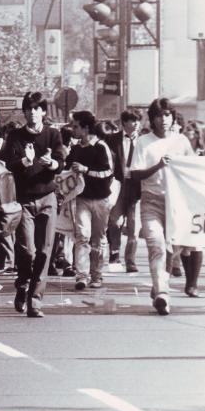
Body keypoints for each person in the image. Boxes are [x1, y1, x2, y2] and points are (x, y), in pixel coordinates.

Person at [129, 98, 197, 314]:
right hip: (151, 201)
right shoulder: (143, 142)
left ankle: (160, 285)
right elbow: (134, 173)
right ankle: (162, 294)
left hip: (177, 203)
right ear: (153, 118)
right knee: (156, 245)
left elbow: (193, 169)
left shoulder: (182, 141)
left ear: (173, 116)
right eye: (159, 115)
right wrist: (157, 166)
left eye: (168, 115)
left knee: (173, 249)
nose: (164, 119)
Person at [0, 91, 64, 317]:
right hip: (23, 200)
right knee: (28, 250)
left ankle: (35, 300)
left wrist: (52, 164)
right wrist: (25, 161)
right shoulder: (15, 137)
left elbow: (60, 161)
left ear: (43, 112)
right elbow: (6, 164)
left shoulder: (53, 134)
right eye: (28, 109)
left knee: (45, 251)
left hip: (48, 198)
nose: (32, 113)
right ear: (24, 112)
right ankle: (23, 283)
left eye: (37, 109)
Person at [66, 110, 114, 291]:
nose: (73, 129)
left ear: (86, 128)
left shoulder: (101, 146)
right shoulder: (76, 148)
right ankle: (82, 275)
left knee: (98, 239)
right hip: (82, 199)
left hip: (101, 199)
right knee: (82, 237)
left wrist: (86, 170)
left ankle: (97, 274)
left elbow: (109, 172)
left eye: (76, 126)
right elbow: (66, 169)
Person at [105, 110, 141, 272]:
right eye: (133, 121)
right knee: (114, 220)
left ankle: (130, 260)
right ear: (124, 122)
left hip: (137, 187)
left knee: (134, 225)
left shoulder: (143, 140)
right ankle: (114, 251)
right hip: (118, 185)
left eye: (138, 120)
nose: (136, 124)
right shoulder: (112, 139)